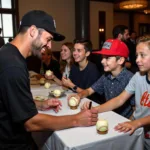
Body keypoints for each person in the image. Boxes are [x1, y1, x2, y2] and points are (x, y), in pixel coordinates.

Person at [0, 10, 98, 149]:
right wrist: (77, 119)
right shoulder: (13, 66)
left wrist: (40, 104)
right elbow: (31, 122)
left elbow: (12, 99)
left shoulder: (9, 54)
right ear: (33, 31)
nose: (50, 46)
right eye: (48, 39)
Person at [81, 35, 150, 150]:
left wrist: (136, 122)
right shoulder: (137, 77)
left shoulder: (131, 76)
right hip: (139, 131)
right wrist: (94, 110)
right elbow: (119, 99)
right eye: (137, 55)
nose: (137, 60)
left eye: (142, 55)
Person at [69, 39, 135, 118]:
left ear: (120, 60)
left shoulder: (130, 78)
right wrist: (79, 95)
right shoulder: (106, 76)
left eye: (107, 58)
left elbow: (136, 109)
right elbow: (89, 90)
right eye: (102, 57)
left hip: (123, 119)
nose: (102, 61)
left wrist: (130, 123)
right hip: (107, 114)